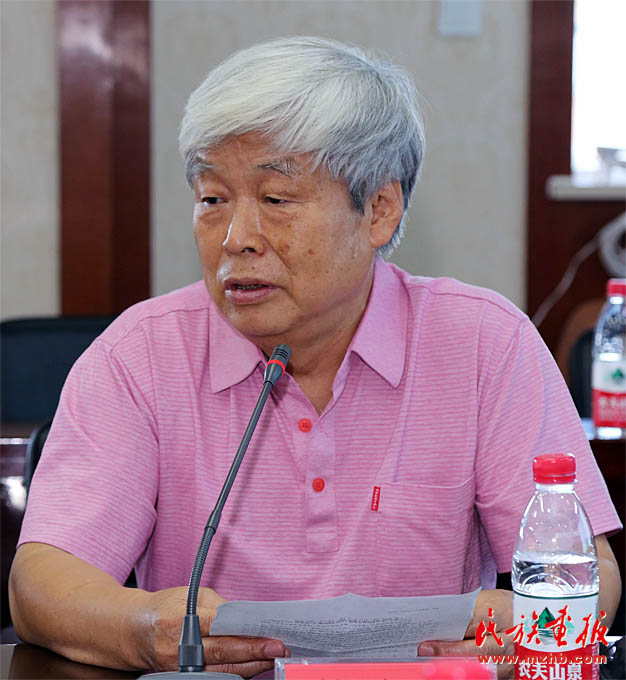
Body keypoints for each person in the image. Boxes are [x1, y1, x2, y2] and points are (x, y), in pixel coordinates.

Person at [9, 36, 622, 677]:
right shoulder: (139, 354)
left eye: (276, 200)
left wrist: (533, 634)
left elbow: (589, 574)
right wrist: (142, 630)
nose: (236, 239)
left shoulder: (483, 344)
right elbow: (41, 585)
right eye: (213, 199)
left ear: (379, 211)